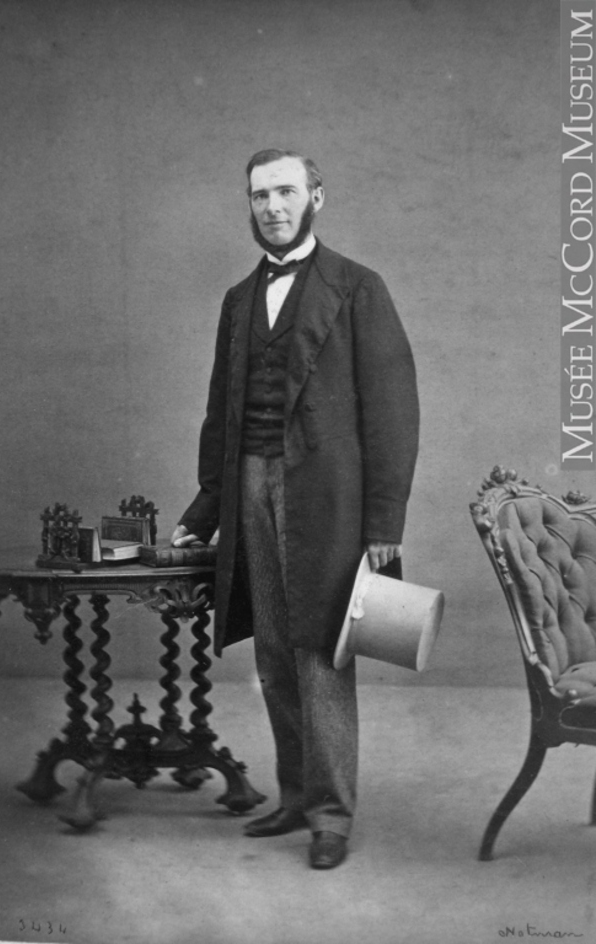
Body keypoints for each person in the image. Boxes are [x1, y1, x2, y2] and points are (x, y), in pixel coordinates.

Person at [172, 148, 419, 869]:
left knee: (321, 652)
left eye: (285, 192)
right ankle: (294, 796)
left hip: (329, 495)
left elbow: (394, 412)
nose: (273, 207)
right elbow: (221, 411)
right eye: (259, 196)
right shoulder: (238, 300)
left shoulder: (358, 287)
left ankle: (331, 817)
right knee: (274, 651)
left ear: (317, 196)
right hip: (249, 484)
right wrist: (205, 509)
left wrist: (384, 522)